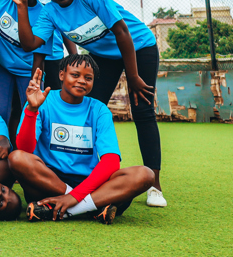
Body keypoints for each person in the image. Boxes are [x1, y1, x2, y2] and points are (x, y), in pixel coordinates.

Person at [7, 0, 166, 207]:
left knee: (142, 110)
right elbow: (30, 44)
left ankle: (155, 185)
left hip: (138, 46)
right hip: (104, 56)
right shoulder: (50, 13)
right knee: (91, 107)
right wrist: (20, 7)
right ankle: (86, 179)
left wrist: (133, 76)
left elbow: (122, 31)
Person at [9, 60, 155, 224]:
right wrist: (32, 110)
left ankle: (63, 209)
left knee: (145, 175)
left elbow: (111, 161)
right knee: (17, 158)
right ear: (62, 75)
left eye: (88, 78)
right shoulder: (42, 102)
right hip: (48, 180)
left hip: (89, 182)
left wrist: (74, 197)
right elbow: (25, 148)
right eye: (75, 75)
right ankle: (92, 206)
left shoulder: (99, 110)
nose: (81, 81)